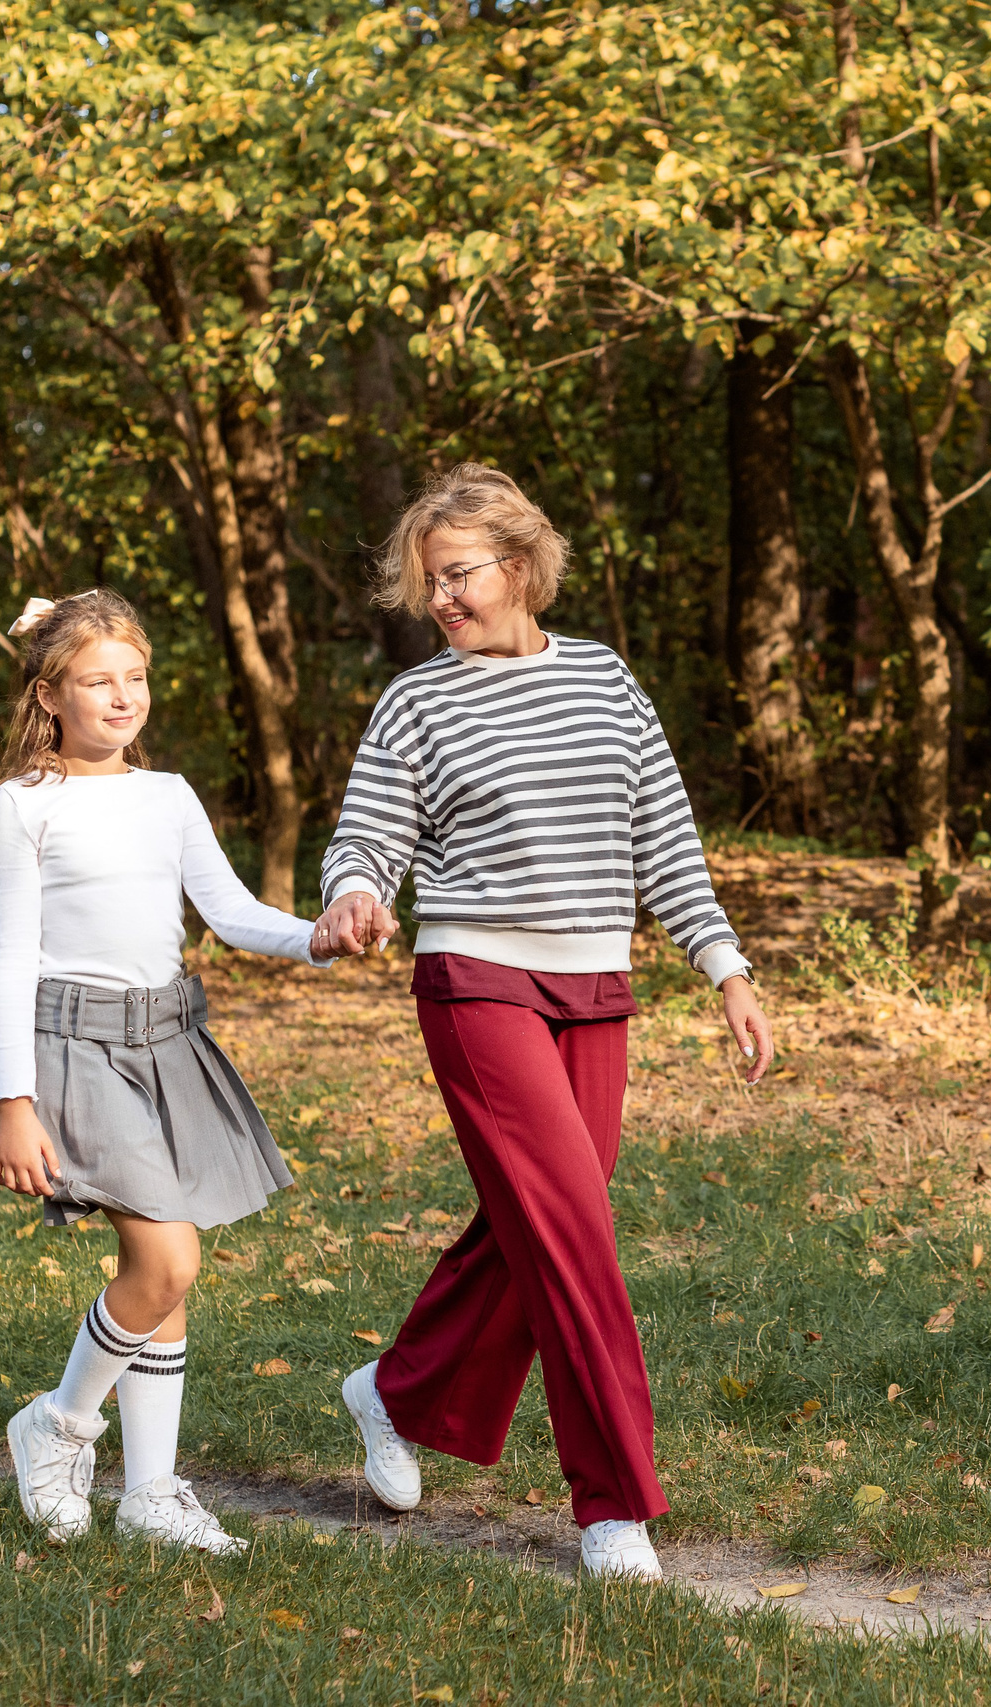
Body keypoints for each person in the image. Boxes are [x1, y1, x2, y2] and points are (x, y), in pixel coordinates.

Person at [313, 463, 773, 1582]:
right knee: (573, 1236)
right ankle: (613, 1503)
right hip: (476, 981)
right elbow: (367, 834)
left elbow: (664, 835)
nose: (442, 600)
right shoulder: (419, 701)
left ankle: (396, 1385)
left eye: (457, 576)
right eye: (429, 584)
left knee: (540, 1225)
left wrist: (726, 968)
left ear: (518, 567)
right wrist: (356, 893)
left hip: (593, 986)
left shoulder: (606, 680)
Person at [0, 589, 359, 1553]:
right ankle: (59, 1423)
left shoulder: (168, 795)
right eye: (97, 681)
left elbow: (229, 911)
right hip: (77, 1050)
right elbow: (11, 959)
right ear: (50, 693)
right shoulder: (23, 806)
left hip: (171, 1044)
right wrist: (13, 1102)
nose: (121, 697)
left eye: (135, 677)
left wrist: (314, 937)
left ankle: (150, 1492)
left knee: (164, 1278)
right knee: (168, 1260)